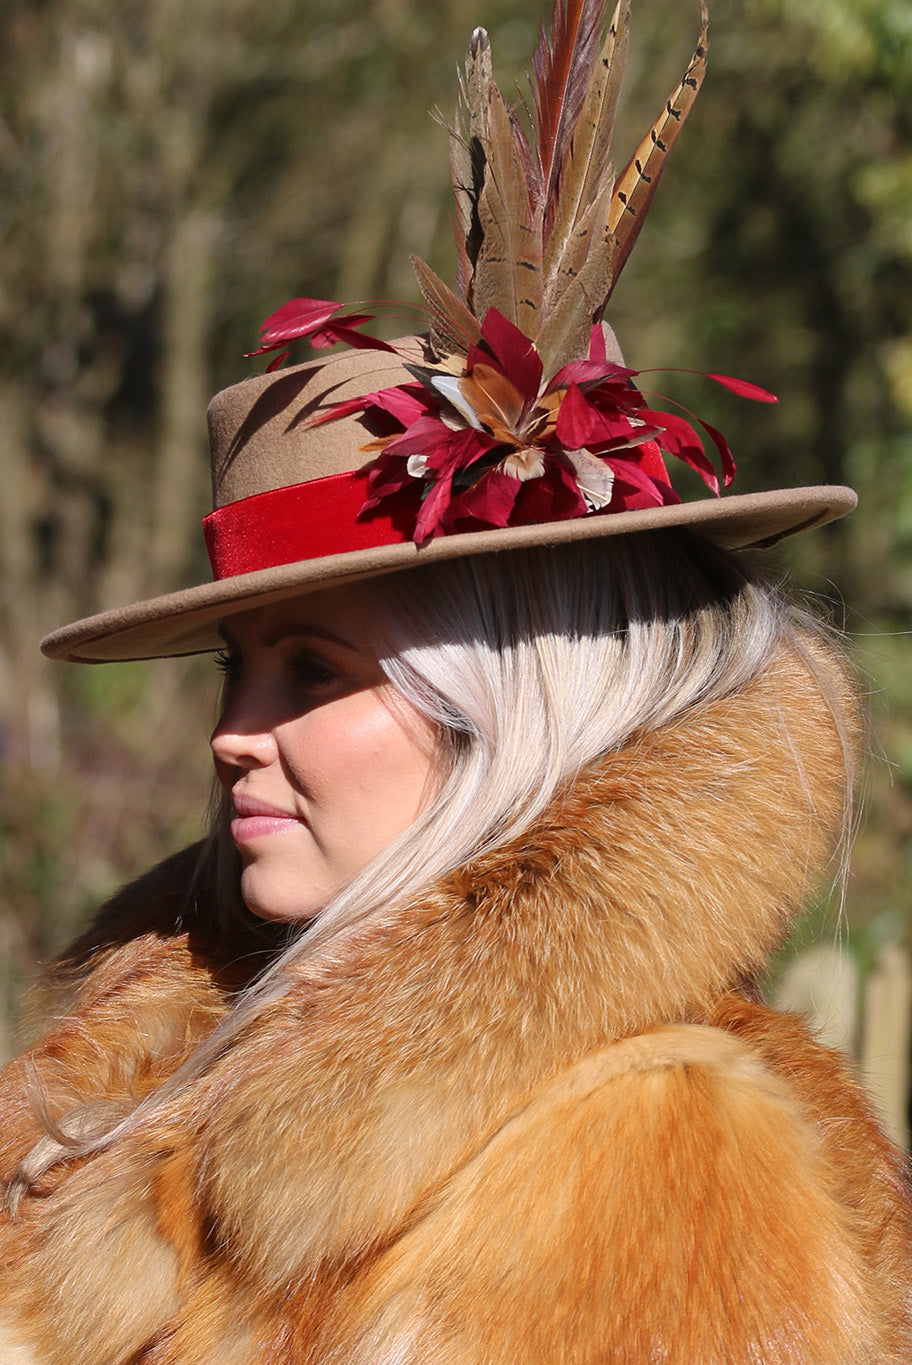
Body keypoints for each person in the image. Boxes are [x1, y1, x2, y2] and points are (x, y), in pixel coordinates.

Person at [2, 2, 911, 1361]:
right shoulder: (166, 1098)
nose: (232, 737)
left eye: (315, 668)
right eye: (236, 667)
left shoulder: (645, 1163)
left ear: (512, 706)